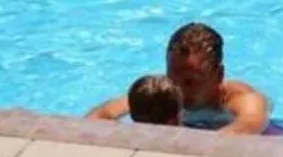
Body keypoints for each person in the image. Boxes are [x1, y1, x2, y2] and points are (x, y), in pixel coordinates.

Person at [87, 22, 273, 135]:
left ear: (219, 75)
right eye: (172, 77)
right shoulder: (164, 91)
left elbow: (248, 125)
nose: (178, 90)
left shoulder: (242, 99)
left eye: (191, 81)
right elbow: (98, 117)